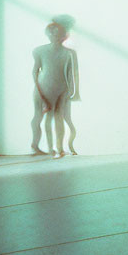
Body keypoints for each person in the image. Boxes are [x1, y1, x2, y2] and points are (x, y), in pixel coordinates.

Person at [31, 15, 81, 157]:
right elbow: (35, 71)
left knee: (58, 117)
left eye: (58, 32)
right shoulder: (39, 51)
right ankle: (37, 146)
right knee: (40, 116)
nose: (54, 35)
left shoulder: (69, 53)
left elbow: (73, 74)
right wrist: (40, 92)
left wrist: (74, 92)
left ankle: (58, 148)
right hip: (43, 88)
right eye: (52, 31)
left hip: (60, 89)